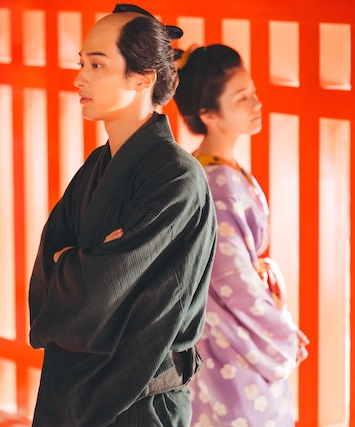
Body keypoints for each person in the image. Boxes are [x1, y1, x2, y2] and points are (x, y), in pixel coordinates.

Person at [28, 5, 217, 426]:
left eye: (97, 65)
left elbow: (96, 291)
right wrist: (82, 263)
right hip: (73, 387)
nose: (79, 78)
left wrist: (72, 262)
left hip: (141, 401)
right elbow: (48, 266)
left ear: (143, 77)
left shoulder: (176, 177)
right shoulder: (98, 165)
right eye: (82, 63)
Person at [173, 44, 309, 427]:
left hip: (220, 325)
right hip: (229, 331)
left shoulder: (214, 168)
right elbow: (232, 278)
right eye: (242, 97)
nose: (256, 103)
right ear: (209, 114)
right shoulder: (217, 183)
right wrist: (281, 331)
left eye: (253, 92)